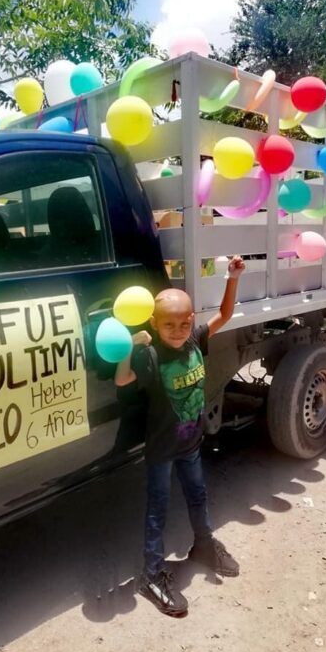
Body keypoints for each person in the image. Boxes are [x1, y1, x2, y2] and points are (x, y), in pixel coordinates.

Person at [115, 255, 245, 617]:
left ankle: (203, 545)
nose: (177, 330)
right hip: (161, 449)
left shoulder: (195, 340)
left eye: (183, 323)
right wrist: (129, 347)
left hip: (191, 443)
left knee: (198, 495)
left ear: (191, 321)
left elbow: (225, 315)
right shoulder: (151, 356)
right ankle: (151, 574)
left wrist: (231, 278)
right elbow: (122, 380)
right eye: (168, 324)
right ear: (155, 324)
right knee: (157, 509)